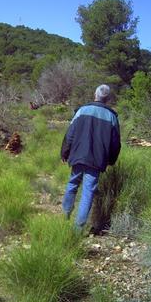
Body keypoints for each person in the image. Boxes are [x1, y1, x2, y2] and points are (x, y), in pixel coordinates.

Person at [60, 84, 121, 230]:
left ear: (95, 95)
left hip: (79, 155)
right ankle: (78, 229)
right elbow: (115, 143)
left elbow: (70, 135)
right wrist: (111, 160)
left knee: (72, 184)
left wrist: (64, 152)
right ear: (107, 99)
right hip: (97, 160)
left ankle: (65, 216)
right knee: (88, 192)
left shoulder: (82, 111)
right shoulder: (112, 117)